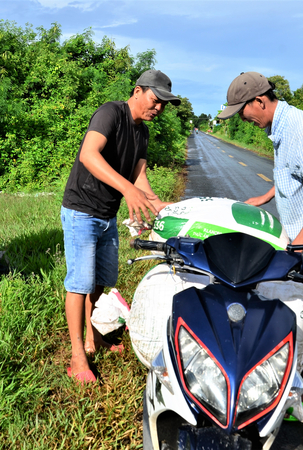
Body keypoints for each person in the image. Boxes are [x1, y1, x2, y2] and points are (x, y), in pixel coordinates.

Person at [217, 72, 303, 419]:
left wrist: (299, 245)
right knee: (297, 301)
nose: (243, 119)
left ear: (260, 101)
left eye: (243, 111)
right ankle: (301, 362)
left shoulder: (302, 131)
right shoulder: (279, 130)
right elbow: (293, 176)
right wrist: (265, 197)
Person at [61, 70, 179, 383]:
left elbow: (138, 176)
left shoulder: (143, 133)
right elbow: (89, 155)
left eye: (163, 105)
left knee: (100, 281)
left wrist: (156, 202)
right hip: (81, 210)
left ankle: (94, 336)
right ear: (138, 91)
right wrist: (127, 189)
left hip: (107, 215)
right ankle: (77, 354)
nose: (158, 108)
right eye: (155, 100)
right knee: (79, 283)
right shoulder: (111, 113)